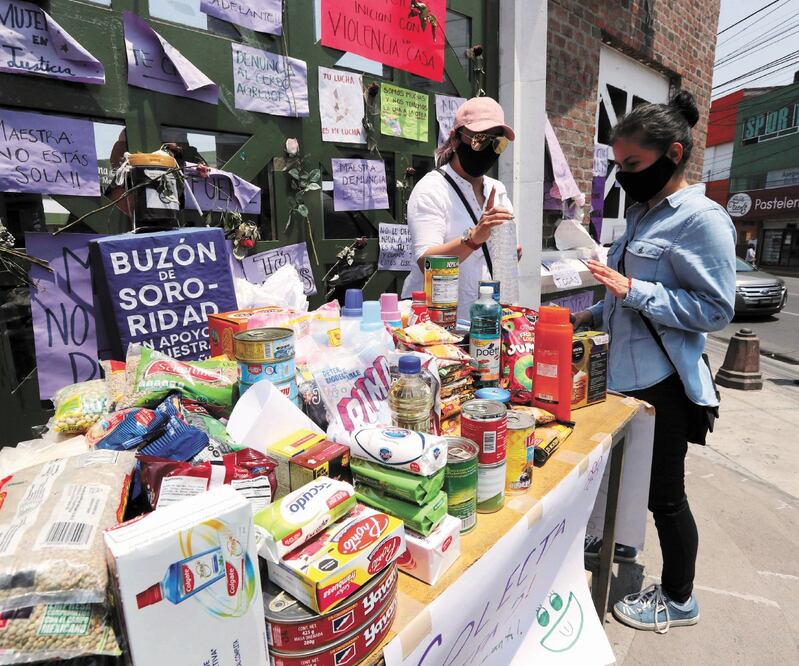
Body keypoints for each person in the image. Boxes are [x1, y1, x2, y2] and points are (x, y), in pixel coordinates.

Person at [573, 91, 736, 633]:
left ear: (672, 152)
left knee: (666, 495)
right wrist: (585, 317)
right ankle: (615, 538)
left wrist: (635, 289)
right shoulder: (642, 214)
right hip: (619, 375)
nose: (623, 177)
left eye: (633, 165)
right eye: (618, 166)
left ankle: (680, 597)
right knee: (620, 475)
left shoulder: (702, 220)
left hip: (664, 382)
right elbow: (622, 292)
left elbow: (714, 308)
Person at [401, 97, 517, 321]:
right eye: (479, 140)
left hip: (486, 321)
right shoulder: (432, 189)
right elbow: (426, 263)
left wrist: (507, 253)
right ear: (455, 139)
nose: (488, 150)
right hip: (439, 326)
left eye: (498, 143)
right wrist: (473, 239)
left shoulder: (498, 189)